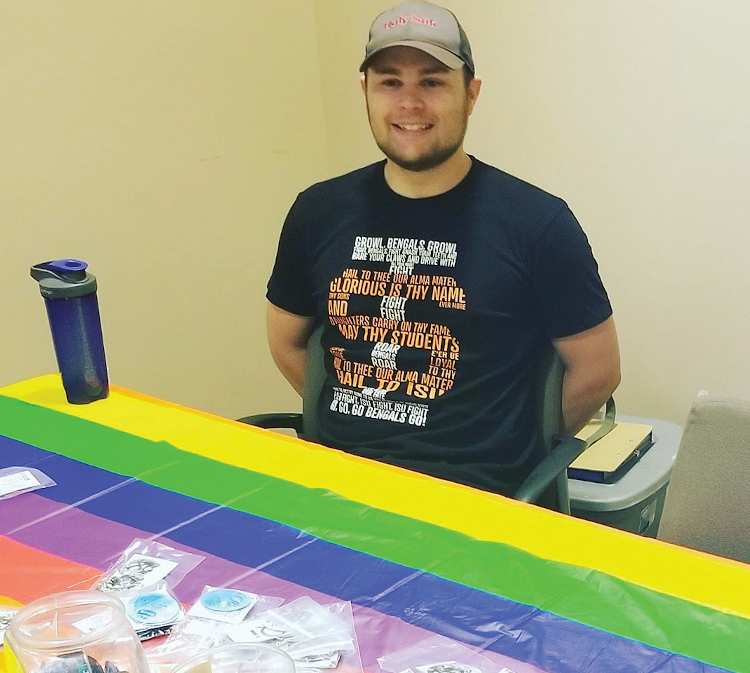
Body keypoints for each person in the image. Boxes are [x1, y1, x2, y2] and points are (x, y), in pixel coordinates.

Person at [265, 0, 620, 496]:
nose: (410, 103)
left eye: (432, 81)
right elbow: (285, 340)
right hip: (338, 487)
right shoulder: (317, 211)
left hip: (472, 497)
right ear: (366, 91)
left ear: (470, 94)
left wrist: (517, 446)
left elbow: (598, 371)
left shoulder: (538, 224)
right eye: (390, 81)